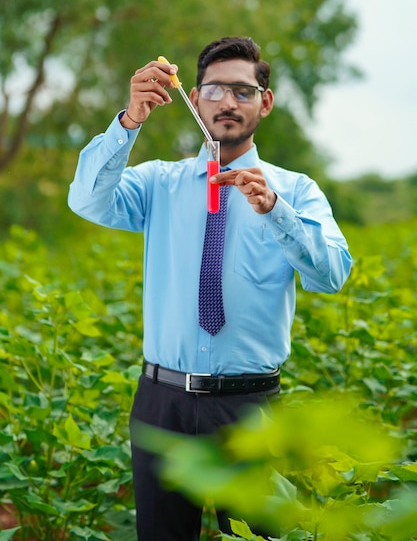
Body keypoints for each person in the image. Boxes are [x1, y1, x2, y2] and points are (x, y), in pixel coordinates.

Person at [68, 36, 352, 540]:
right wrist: (127, 122)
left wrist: (276, 213)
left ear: (265, 102)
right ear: (194, 98)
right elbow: (87, 201)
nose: (227, 102)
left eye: (243, 92)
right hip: (161, 402)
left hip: (250, 409)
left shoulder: (296, 190)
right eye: (215, 90)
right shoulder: (158, 184)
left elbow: (331, 276)